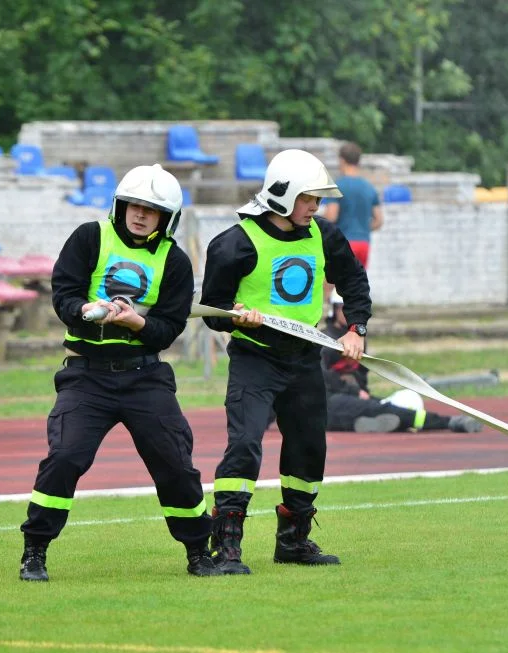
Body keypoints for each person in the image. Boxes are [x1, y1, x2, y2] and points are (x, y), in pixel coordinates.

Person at [19, 163, 222, 581]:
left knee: (175, 464)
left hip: (145, 377)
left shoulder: (176, 261)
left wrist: (136, 324)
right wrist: (84, 311)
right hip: (86, 376)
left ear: (167, 218)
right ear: (120, 204)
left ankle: (199, 552)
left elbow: (168, 329)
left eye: (151, 209)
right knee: (66, 457)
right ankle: (34, 551)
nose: (140, 213)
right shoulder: (89, 237)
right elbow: (64, 294)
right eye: (134, 204)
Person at [200, 148, 372, 574]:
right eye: (308, 198)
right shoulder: (233, 243)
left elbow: (352, 279)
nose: (315, 206)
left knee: (309, 449)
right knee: (244, 445)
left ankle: (294, 542)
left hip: (304, 359)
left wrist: (356, 329)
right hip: (254, 359)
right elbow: (213, 310)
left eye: (317, 199)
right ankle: (227, 546)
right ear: (282, 195)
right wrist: (236, 314)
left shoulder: (325, 235)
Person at [322, 294, 483, 434]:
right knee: (378, 409)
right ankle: (449, 422)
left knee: (401, 403)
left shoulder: (357, 339)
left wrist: (362, 393)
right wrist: (355, 392)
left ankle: (371, 422)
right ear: (334, 310)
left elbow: (362, 373)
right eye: (344, 307)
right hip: (328, 402)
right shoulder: (325, 339)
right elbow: (321, 376)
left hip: (352, 399)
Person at [322, 141, 383, 268]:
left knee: (331, 285)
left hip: (344, 244)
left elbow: (331, 216)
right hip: (364, 245)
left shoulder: (338, 186)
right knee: (355, 285)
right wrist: (362, 228)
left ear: (342, 160)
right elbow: (379, 220)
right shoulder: (369, 187)